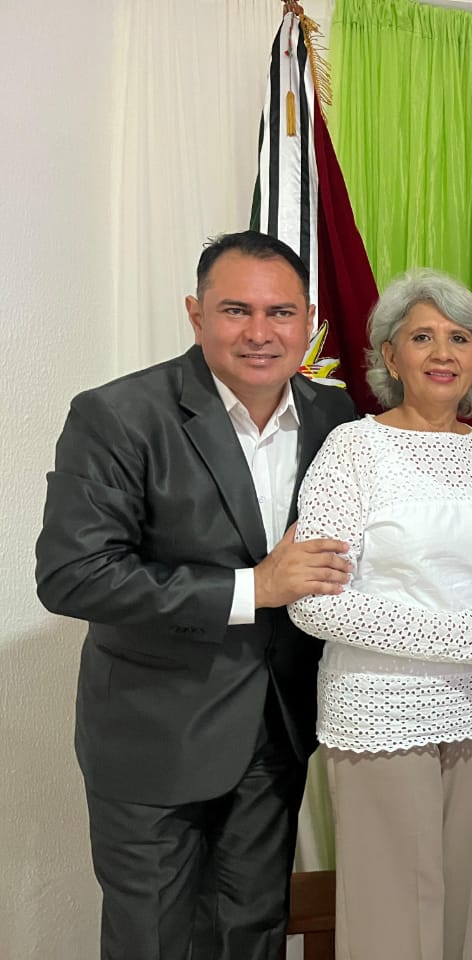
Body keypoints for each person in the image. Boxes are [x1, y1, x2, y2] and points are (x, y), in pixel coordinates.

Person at [34, 230, 356, 960]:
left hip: (276, 732)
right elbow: (73, 573)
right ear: (196, 313)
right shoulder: (118, 415)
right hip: (153, 737)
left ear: (309, 320)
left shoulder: (336, 419)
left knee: (253, 933)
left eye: (280, 312)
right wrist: (253, 587)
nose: (259, 332)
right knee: (154, 941)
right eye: (236, 310)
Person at [287, 268, 472, 959]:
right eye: (422, 337)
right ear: (390, 356)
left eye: (460, 338)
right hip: (381, 715)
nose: (443, 352)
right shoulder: (352, 449)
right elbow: (312, 602)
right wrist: (459, 638)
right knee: (392, 924)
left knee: (456, 916)